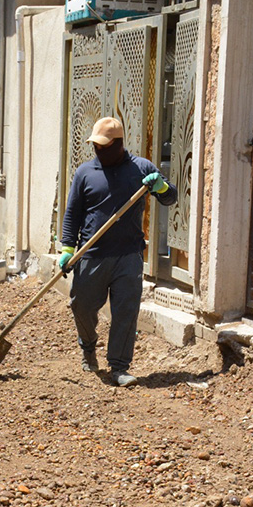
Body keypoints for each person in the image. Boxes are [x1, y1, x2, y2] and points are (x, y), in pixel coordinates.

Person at [58, 117, 176, 388]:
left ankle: (119, 367)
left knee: (126, 311)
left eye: (103, 145)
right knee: (82, 305)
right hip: (91, 253)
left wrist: (160, 187)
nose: (98, 150)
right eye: (96, 145)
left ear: (118, 144)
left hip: (128, 256)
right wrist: (67, 249)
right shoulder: (85, 172)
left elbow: (171, 197)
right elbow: (72, 214)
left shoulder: (141, 169)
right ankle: (88, 346)